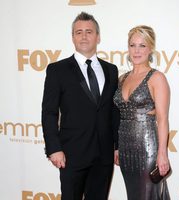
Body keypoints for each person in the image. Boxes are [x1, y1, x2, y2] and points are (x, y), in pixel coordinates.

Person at [41, 12, 119, 200]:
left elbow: (114, 111)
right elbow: (49, 112)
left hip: (104, 154)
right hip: (71, 154)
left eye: (89, 32)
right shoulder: (57, 70)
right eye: (79, 32)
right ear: (73, 37)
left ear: (98, 37)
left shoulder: (111, 70)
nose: (84, 36)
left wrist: (117, 146)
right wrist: (53, 148)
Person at [113, 25, 171, 199]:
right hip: (125, 149)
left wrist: (162, 154)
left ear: (150, 48)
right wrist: (116, 148)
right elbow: (118, 115)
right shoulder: (122, 78)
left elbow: (162, 119)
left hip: (147, 149)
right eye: (132, 45)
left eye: (142, 45)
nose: (136, 51)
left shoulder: (156, 78)